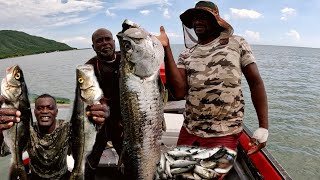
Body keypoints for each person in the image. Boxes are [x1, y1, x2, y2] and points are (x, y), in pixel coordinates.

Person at [156, 1, 269, 155]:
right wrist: (166, 48)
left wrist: (263, 127)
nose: (197, 22)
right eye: (194, 18)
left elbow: (255, 82)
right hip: (190, 130)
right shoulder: (186, 54)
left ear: (216, 21)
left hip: (224, 132)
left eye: (204, 17)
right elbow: (179, 92)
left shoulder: (236, 43)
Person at [0, 94, 108, 179]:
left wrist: (97, 122)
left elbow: (88, 140)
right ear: (35, 112)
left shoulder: (67, 129)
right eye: (40, 108)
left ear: (56, 112)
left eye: (50, 108)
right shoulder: (27, 132)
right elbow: (3, 151)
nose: (45, 111)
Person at [84, 28, 125, 177]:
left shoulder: (126, 60)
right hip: (98, 124)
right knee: (89, 163)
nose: (104, 43)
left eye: (108, 39)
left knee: (129, 160)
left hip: (122, 122)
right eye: (99, 41)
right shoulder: (88, 68)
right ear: (93, 46)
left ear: (114, 42)